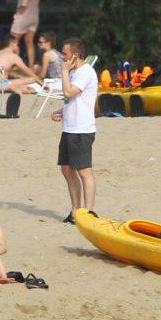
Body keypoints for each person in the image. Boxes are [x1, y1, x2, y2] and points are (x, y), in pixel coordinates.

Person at [52, 38, 98, 224]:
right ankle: (75, 210)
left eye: (64, 53)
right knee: (66, 169)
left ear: (75, 55)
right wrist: (62, 111)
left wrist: (64, 71)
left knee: (84, 171)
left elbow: (69, 92)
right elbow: (73, 99)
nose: (62, 57)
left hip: (82, 129)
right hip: (69, 128)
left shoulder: (85, 72)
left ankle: (88, 211)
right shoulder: (73, 73)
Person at [12, 0, 40, 69]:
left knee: (13, 40)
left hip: (24, 16)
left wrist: (22, 7)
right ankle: (31, 65)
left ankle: (14, 64)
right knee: (29, 42)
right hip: (34, 16)